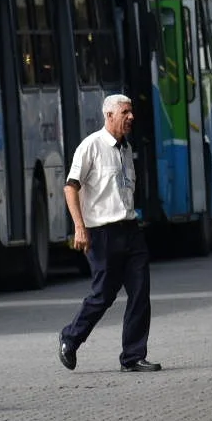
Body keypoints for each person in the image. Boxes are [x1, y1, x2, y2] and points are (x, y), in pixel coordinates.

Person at [58, 94, 160, 373]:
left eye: (132, 112)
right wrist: (79, 227)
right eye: (125, 112)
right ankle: (70, 337)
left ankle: (133, 355)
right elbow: (71, 187)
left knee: (140, 292)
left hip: (130, 229)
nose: (131, 117)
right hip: (101, 233)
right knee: (103, 294)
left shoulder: (126, 148)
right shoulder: (91, 146)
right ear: (109, 115)